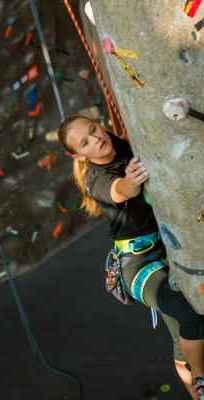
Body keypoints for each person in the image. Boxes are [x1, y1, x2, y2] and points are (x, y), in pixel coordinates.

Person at [57, 115, 204, 399]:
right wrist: (131, 180)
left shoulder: (117, 145)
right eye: (85, 142)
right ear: (79, 155)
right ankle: (201, 379)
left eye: (93, 129)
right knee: (192, 319)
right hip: (139, 266)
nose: (97, 139)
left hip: (165, 247)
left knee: (182, 337)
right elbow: (120, 190)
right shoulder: (95, 179)